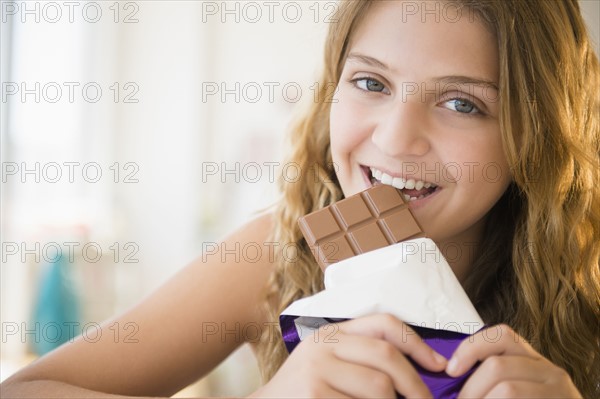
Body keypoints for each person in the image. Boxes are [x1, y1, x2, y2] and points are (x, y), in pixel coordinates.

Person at [3, 0, 598, 398]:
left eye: (462, 103)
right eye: (371, 83)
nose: (393, 138)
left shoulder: (587, 289)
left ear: (535, 135)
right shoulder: (276, 252)